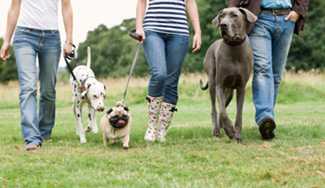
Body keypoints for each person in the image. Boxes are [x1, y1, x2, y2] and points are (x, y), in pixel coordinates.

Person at [228, 0, 310, 140]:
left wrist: (298, 11)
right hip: (259, 18)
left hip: (287, 18)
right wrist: (231, 14)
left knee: (276, 74)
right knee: (262, 68)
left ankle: (267, 124)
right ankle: (265, 116)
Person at [0, 0, 74, 151]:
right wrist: (6, 40)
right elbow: (14, 8)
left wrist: (69, 40)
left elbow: (66, 8)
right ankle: (32, 138)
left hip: (51, 38)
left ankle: (44, 132)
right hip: (24, 36)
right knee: (28, 87)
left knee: (48, 90)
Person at [136, 0, 201, 142]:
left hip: (179, 32)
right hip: (152, 30)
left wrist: (197, 31)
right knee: (159, 74)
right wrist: (139, 27)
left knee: (171, 82)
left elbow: (190, 2)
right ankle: (152, 125)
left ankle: (162, 128)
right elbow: (141, 2)